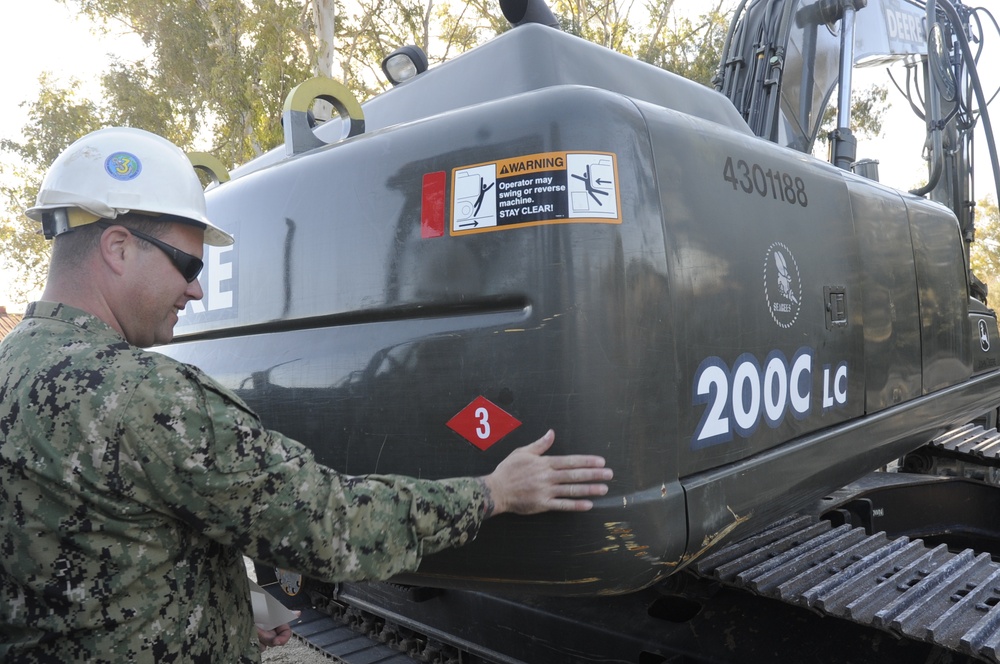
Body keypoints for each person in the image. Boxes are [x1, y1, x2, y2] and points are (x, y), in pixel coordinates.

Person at [0, 127, 613, 663]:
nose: (194, 292)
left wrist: (227, 614)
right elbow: (330, 525)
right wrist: (492, 493)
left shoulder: (13, 366)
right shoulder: (144, 396)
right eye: (188, 265)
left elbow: (83, 553)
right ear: (117, 247)